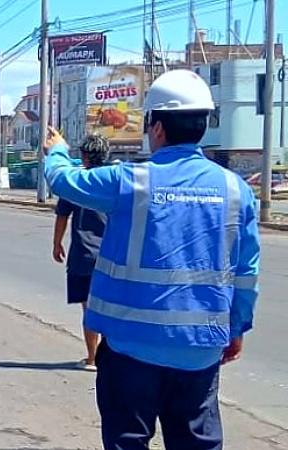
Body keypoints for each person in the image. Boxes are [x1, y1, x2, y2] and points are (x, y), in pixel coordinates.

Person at [43, 69, 260, 450]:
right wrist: (237, 328)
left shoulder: (131, 181)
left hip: (130, 348)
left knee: (127, 441)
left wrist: (57, 149)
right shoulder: (235, 190)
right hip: (199, 349)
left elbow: (63, 181)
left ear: (156, 128)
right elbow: (246, 273)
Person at [52, 134, 110, 372]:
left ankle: (92, 358)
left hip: (83, 257)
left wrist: (56, 244)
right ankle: (110, 359)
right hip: (111, 258)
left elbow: (62, 216)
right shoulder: (114, 182)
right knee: (110, 308)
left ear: (84, 156)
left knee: (89, 309)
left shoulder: (76, 182)